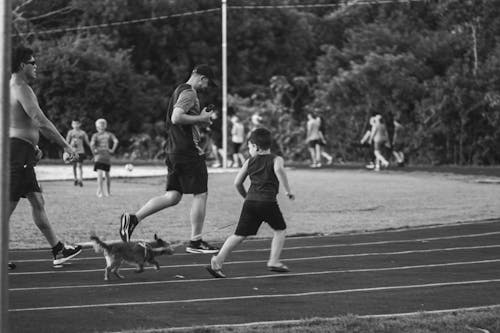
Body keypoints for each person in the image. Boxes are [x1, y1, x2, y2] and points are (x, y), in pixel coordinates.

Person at [119, 64, 219, 254]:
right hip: (187, 150)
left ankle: (133, 219)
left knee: (172, 196)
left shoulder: (179, 90)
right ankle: (196, 242)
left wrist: (199, 117)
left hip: (174, 150)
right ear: (201, 77)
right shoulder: (189, 93)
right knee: (201, 193)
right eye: (207, 82)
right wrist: (201, 119)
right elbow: (176, 118)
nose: (207, 87)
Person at [9, 46, 82, 267]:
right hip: (17, 154)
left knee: (37, 201)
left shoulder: (11, 88)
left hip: (21, 152)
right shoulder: (21, 87)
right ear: (22, 65)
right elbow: (40, 121)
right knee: (6, 208)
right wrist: (67, 146)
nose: (36, 66)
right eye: (33, 62)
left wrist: (32, 147)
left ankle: (58, 249)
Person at [206, 128, 295, 278]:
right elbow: (279, 169)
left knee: (239, 235)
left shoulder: (249, 161)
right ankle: (273, 261)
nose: (249, 150)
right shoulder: (276, 159)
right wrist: (287, 190)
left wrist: (246, 197)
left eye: (249, 147)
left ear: (256, 146)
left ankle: (217, 260)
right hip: (268, 202)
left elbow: (237, 183)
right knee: (280, 230)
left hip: (250, 203)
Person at [90, 118, 119, 197]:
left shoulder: (95, 135)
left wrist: (94, 153)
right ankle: (108, 193)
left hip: (99, 156)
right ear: (105, 126)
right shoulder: (109, 134)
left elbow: (92, 144)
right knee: (107, 174)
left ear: (97, 127)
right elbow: (116, 141)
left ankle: (101, 192)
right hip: (107, 155)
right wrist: (112, 150)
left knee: (99, 174)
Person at [66, 120, 91, 187]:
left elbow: (87, 142)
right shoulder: (70, 132)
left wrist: (92, 147)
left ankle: (81, 180)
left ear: (80, 124)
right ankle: (75, 179)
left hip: (80, 151)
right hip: (73, 151)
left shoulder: (82, 133)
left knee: (79, 166)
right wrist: (66, 149)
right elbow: (67, 142)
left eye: (77, 124)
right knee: (74, 166)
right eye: (74, 124)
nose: (75, 125)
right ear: (72, 124)